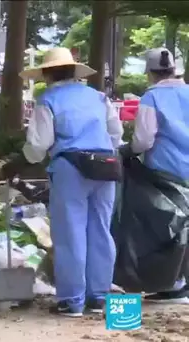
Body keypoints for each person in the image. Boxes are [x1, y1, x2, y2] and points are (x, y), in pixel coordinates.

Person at [0, 47, 124, 317]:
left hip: (70, 169)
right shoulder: (98, 96)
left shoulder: (48, 99)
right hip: (105, 167)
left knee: (70, 234)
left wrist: (19, 161)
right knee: (101, 231)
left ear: (47, 74)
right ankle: (99, 297)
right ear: (73, 71)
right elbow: (116, 133)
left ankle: (72, 301)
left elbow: (38, 145)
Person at [120, 47, 189, 304]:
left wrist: (128, 151)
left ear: (150, 73)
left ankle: (174, 284)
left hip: (164, 173)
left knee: (167, 228)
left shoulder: (152, 97)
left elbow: (144, 139)